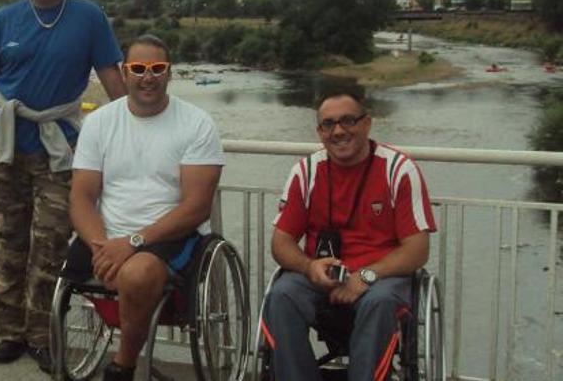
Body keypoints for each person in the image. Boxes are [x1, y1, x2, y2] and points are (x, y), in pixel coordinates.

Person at [0, 0, 126, 372]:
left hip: (61, 150)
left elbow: (111, 76)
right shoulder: (3, 21)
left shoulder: (89, 18)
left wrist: (135, 128)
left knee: (52, 242)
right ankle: (10, 331)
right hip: (5, 148)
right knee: (10, 240)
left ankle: (41, 335)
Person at [68, 35, 224, 381]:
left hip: (171, 235)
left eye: (157, 68)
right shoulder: (99, 122)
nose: (148, 76)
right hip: (108, 236)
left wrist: (133, 242)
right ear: (124, 73)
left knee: (136, 274)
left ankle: (123, 365)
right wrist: (101, 245)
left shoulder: (197, 124)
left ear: (169, 73)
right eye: (138, 69)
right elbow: (81, 197)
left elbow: (197, 207)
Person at [262, 90, 436, 380]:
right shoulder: (306, 172)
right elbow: (281, 242)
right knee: (281, 295)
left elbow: (417, 250)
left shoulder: (398, 170)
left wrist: (366, 276)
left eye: (348, 121)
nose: (339, 131)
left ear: (367, 123)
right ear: (320, 132)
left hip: (381, 277)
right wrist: (309, 267)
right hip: (322, 275)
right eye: (329, 124)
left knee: (378, 302)